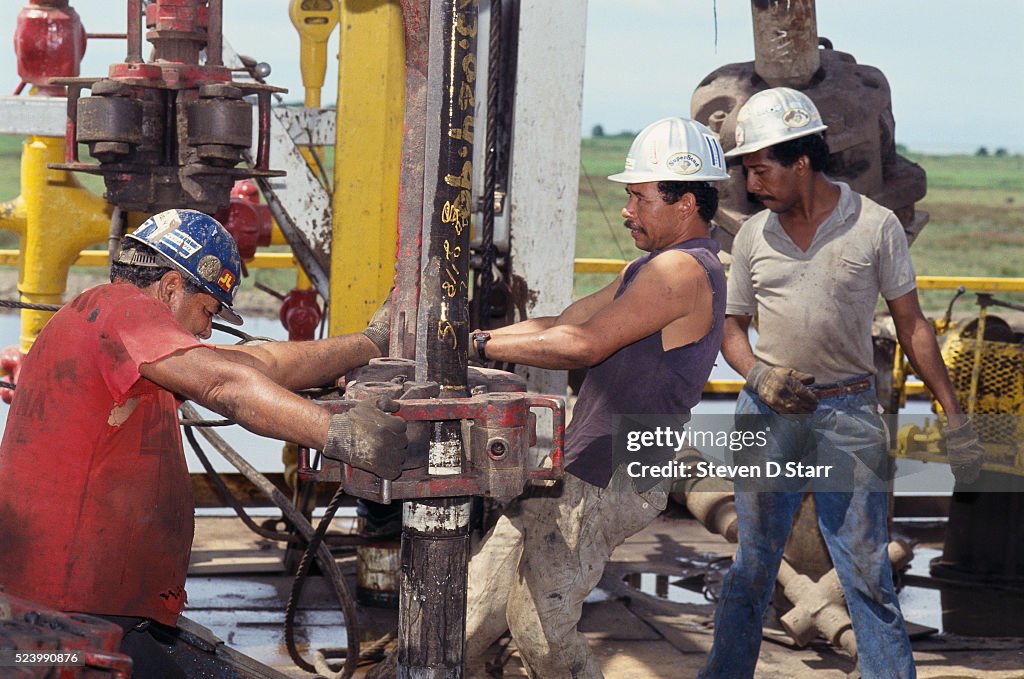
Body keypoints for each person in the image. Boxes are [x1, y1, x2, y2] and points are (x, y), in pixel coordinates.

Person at [0, 209, 406, 677]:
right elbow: (226, 387)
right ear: (172, 287)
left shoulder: (124, 333)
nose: (207, 330)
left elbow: (261, 364)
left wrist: (372, 343)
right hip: (68, 626)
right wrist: (343, 434)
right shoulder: (119, 307)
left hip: (99, 613)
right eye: (208, 311)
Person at [697, 87, 986, 679]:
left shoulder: (876, 227)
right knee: (751, 567)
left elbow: (913, 324)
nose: (751, 185)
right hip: (768, 415)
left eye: (760, 169)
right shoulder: (754, 235)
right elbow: (730, 329)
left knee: (866, 575)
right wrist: (759, 376)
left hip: (848, 417)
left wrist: (952, 413)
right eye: (747, 171)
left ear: (800, 161)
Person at [463, 117, 729, 678]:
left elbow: (582, 345)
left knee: (539, 626)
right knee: (470, 612)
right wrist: (464, 345)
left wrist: (483, 346)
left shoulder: (683, 268)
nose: (627, 209)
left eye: (638, 196)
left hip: (612, 472)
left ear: (685, 202)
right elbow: (563, 321)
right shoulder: (648, 267)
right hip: (577, 464)